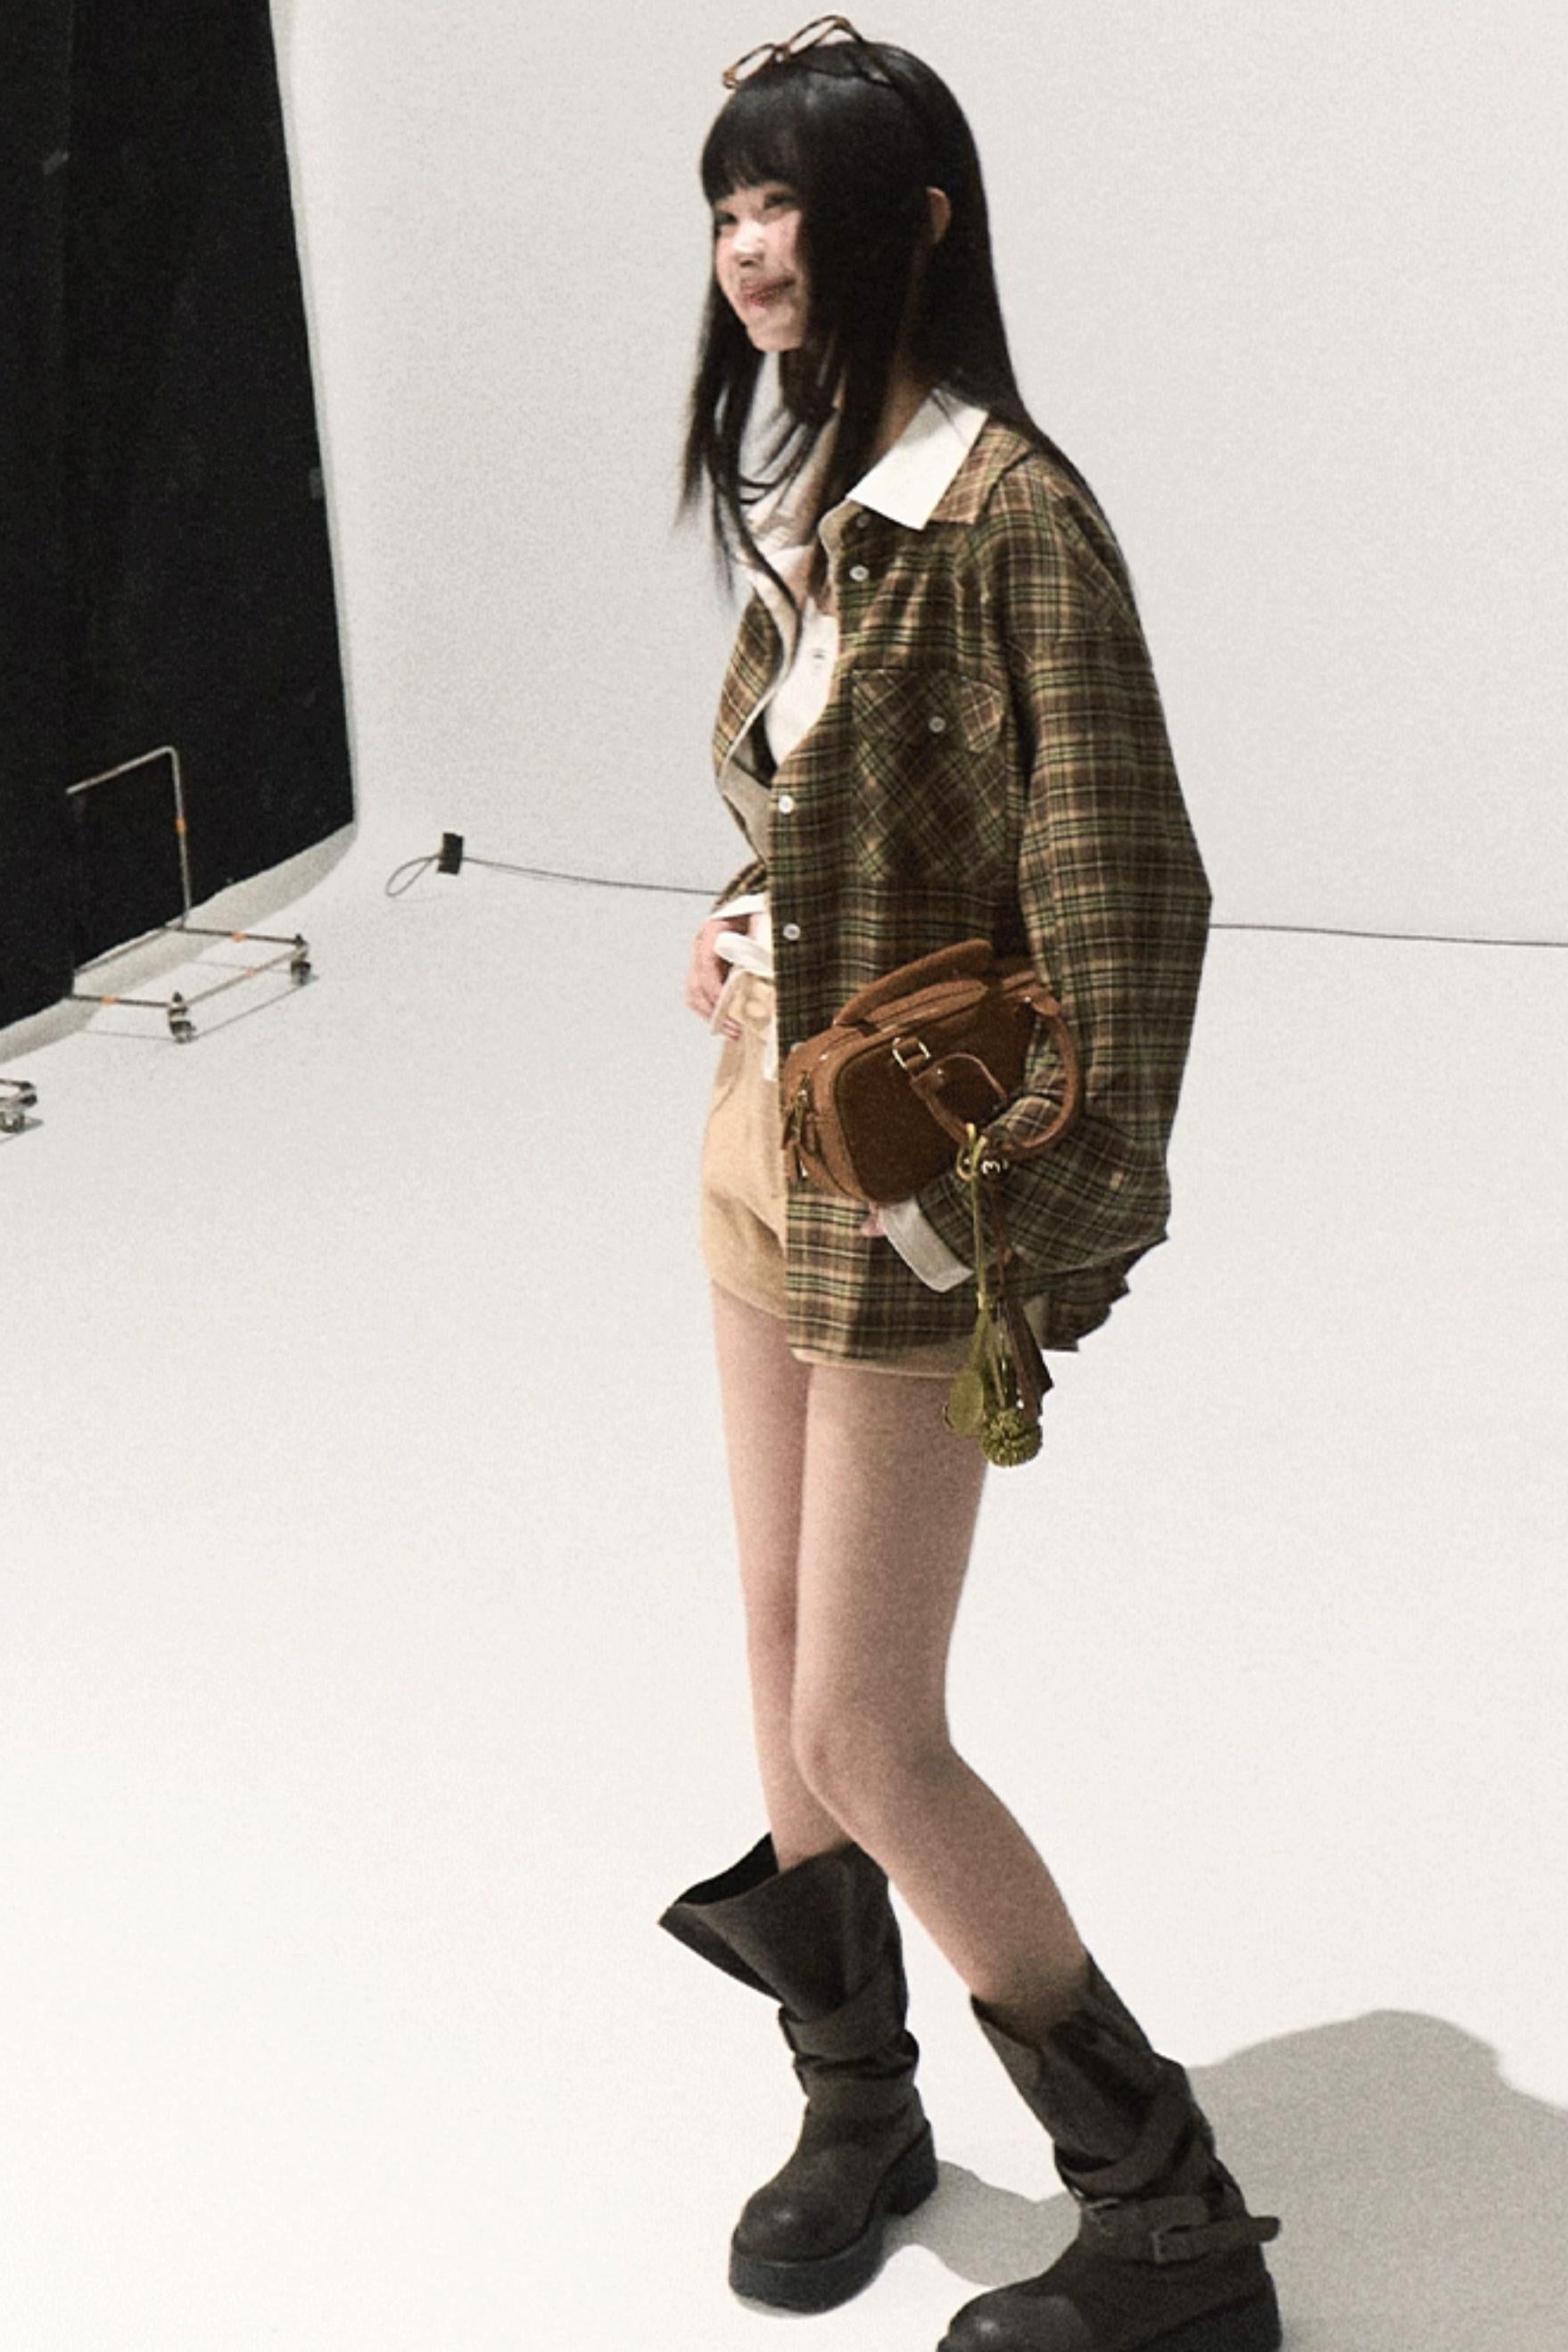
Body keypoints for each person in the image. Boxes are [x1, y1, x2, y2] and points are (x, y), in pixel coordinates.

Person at [656, 22, 1283, 2352]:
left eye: (790, 200)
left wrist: (1043, 1237)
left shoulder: (1014, 519)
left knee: (867, 1726)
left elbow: (1127, 901)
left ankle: (1171, 2226)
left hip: (920, 1197)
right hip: (764, 1144)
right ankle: (858, 2105)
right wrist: (746, 917)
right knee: (774, 1650)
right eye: (728, 204)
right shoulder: (817, 491)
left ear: (916, 221)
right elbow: (829, 803)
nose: (750, 248)